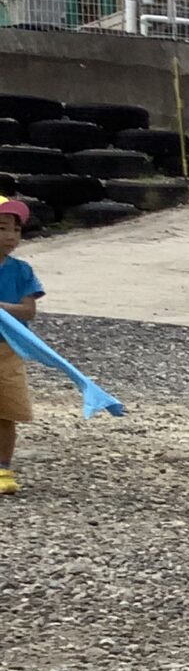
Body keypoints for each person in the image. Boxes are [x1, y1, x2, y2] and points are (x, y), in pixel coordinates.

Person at [0, 199, 42, 495]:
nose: (11, 236)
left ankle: (3, 468)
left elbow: (29, 311)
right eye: (3, 229)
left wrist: (2, 308)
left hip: (8, 350)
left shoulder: (21, 270)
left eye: (16, 230)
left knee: (6, 412)